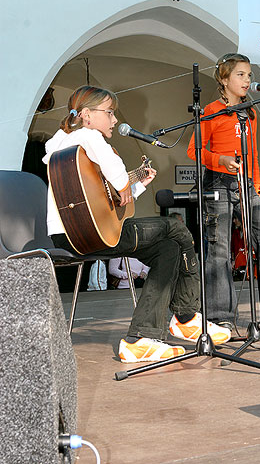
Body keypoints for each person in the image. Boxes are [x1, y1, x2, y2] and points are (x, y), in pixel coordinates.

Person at [42, 85, 231, 363]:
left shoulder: (61, 146)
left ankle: (140, 338)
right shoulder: (88, 137)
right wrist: (121, 171)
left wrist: (138, 185)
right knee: (178, 229)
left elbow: (110, 203)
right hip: (87, 233)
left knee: (168, 249)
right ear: (86, 115)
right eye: (109, 113)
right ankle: (187, 316)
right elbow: (118, 181)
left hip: (73, 235)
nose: (115, 120)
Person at [187, 53, 260, 327]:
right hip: (218, 182)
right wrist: (221, 160)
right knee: (219, 250)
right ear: (224, 79)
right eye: (240, 74)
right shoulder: (211, 110)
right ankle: (220, 320)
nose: (247, 80)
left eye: (249, 75)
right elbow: (194, 150)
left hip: (247, 185)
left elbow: (254, 156)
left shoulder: (250, 111)